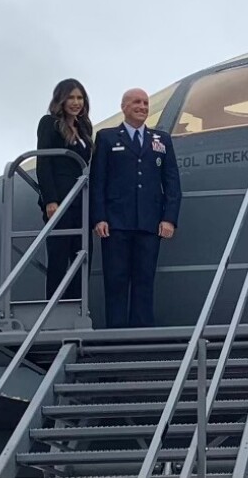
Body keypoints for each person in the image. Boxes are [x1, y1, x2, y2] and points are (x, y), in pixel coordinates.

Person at [89, 88, 182, 328]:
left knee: (144, 278)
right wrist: (99, 217)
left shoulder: (161, 140)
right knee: (116, 279)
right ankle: (116, 332)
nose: (142, 107)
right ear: (124, 106)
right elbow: (98, 181)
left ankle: (142, 331)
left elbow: (171, 182)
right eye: (136, 102)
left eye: (145, 103)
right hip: (116, 222)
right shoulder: (107, 138)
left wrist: (169, 218)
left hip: (150, 222)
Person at [36, 78, 93, 301]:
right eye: (71, 97)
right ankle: (56, 306)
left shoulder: (84, 127)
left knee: (82, 256)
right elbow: (44, 163)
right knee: (59, 258)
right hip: (60, 200)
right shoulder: (49, 123)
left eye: (80, 98)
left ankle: (78, 304)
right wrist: (50, 200)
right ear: (61, 99)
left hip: (82, 200)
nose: (76, 102)